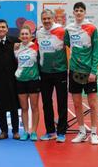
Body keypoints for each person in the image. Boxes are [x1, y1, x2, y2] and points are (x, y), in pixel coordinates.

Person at [64, 2, 98, 145]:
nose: (79, 13)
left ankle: (94, 133)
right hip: (74, 70)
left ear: (84, 13)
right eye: (76, 10)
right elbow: (67, 42)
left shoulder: (92, 28)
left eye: (81, 10)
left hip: (88, 72)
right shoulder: (69, 29)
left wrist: (93, 71)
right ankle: (81, 132)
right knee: (77, 104)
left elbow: (96, 51)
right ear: (73, 13)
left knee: (93, 104)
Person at [37, 9, 68, 143]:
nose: (46, 21)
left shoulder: (62, 31)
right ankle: (50, 131)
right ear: (41, 20)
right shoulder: (39, 33)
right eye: (44, 19)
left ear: (53, 18)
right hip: (44, 73)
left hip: (60, 71)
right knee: (46, 103)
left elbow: (74, 47)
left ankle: (61, 132)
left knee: (62, 102)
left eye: (49, 18)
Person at [14, 26, 40, 141]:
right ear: (20, 36)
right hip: (20, 81)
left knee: (34, 107)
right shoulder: (16, 48)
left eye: (27, 34)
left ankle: (33, 131)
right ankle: (25, 131)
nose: (24, 36)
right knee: (24, 108)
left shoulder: (36, 47)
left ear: (31, 36)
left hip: (33, 80)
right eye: (22, 34)